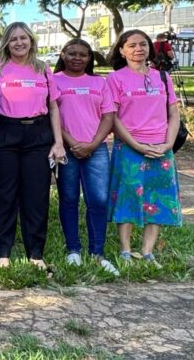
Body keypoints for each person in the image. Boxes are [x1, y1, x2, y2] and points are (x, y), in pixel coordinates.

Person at [0, 22, 66, 269]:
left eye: (23, 38)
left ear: (31, 40)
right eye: (13, 39)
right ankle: (3, 252)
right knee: (5, 195)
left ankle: (35, 254)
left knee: (36, 195)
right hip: (5, 132)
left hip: (38, 135)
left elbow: (53, 107)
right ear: (6, 43)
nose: (19, 43)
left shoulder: (43, 69)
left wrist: (58, 142)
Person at [107, 30, 183, 267]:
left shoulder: (162, 77)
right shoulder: (115, 79)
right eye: (131, 45)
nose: (138, 49)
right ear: (121, 50)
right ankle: (126, 251)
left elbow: (173, 113)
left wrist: (168, 144)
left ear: (149, 48)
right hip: (130, 148)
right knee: (128, 198)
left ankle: (148, 252)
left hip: (161, 148)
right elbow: (113, 118)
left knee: (158, 199)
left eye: (143, 44)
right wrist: (137, 145)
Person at [53, 39, 120, 276]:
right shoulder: (54, 80)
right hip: (66, 148)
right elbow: (52, 117)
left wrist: (92, 144)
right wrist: (72, 143)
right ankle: (73, 249)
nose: (78, 58)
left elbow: (108, 116)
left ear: (89, 58)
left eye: (83, 54)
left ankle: (97, 252)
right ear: (63, 54)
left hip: (97, 149)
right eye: (72, 53)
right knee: (69, 198)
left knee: (98, 201)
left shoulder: (98, 83)